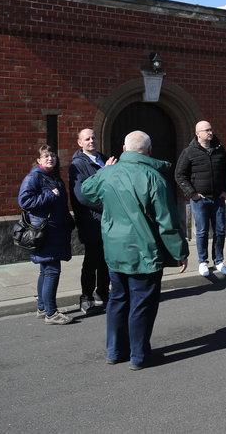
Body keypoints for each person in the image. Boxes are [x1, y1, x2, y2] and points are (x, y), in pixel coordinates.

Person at [82, 131, 188, 370]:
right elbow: (167, 222)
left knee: (118, 299)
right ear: (149, 150)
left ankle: (115, 351)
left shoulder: (108, 173)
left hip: (115, 248)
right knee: (142, 303)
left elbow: (86, 191)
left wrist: (104, 171)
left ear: (124, 148)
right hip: (144, 250)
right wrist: (180, 251)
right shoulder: (154, 178)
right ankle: (139, 355)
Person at [18, 145, 75, 325]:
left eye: (52, 156)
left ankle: (43, 308)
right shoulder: (34, 177)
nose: (50, 159)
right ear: (39, 160)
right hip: (45, 231)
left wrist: (67, 220)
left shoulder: (52, 177)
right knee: (52, 270)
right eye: (46, 156)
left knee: (45, 270)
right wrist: (50, 196)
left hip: (55, 229)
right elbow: (24, 201)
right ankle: (51, 313)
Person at [175, 121, 226, 277]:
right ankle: (202, 262)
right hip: (200, 199)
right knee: (202, 231)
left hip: (218, 198)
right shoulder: (189, 152)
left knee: (220, 231)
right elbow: (179, 175)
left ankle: (219, 261)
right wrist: (192, 193)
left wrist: (225, 190)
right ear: (197, 133)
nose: (210, 132)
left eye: (210, 129)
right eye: (206, 130)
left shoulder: (219, 149)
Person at [69, 128, 117, 314]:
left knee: (107, 259)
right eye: (87, 139)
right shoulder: (77, 165)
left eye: (93, 138)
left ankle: (103, 293)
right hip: (91, 220)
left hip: (108, 220)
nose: (91, 141)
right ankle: (86, 296)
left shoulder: (104, 159)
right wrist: (107, 207)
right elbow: (82, 196)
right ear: (80, 143)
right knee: (91, 260)